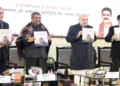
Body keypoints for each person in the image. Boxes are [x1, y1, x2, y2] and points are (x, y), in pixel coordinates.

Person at [0, 7, 10, 74]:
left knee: (2, 72)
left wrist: (9, 39)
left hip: (3, 52)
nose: (1, 15)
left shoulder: (6, 24)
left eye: (2, 13)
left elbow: (6, 40)